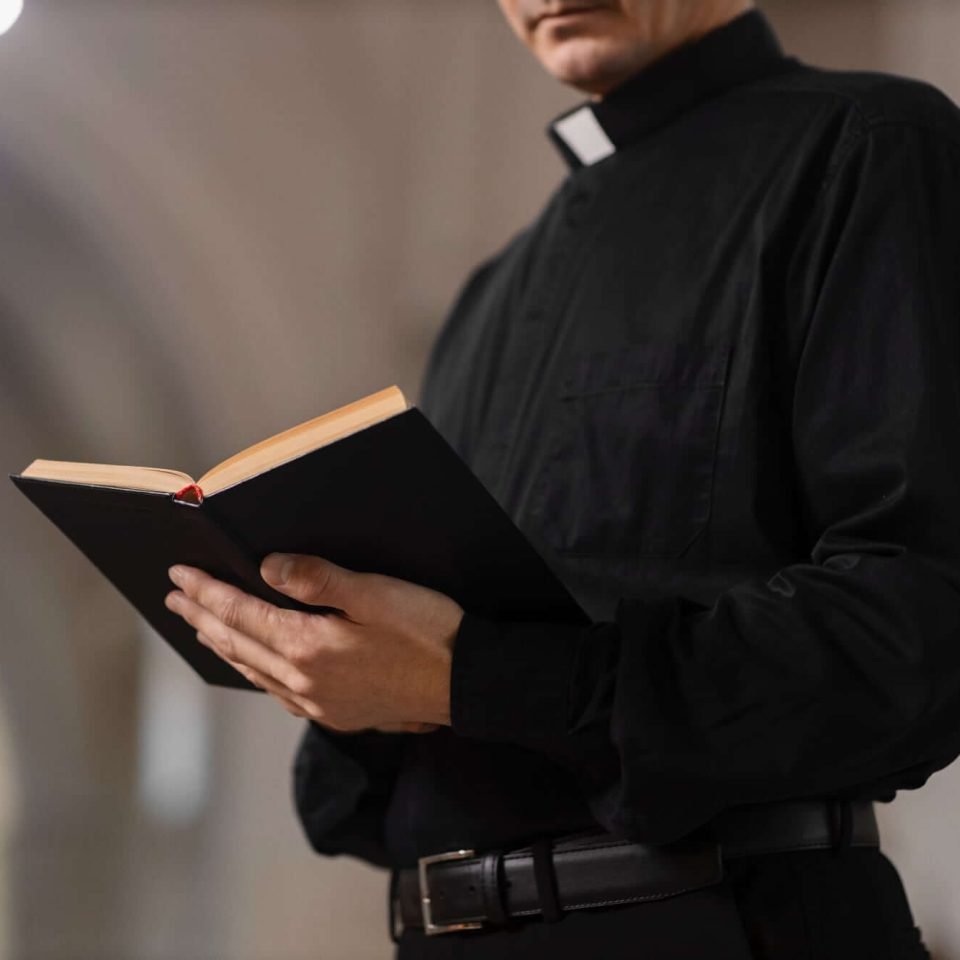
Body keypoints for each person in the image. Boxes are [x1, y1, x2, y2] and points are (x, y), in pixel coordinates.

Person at [162, 0, 960, 955]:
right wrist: (334, 664)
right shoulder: (491, 290)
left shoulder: (870, 145)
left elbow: (918, 623)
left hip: (719, 925)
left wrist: (470, 679)